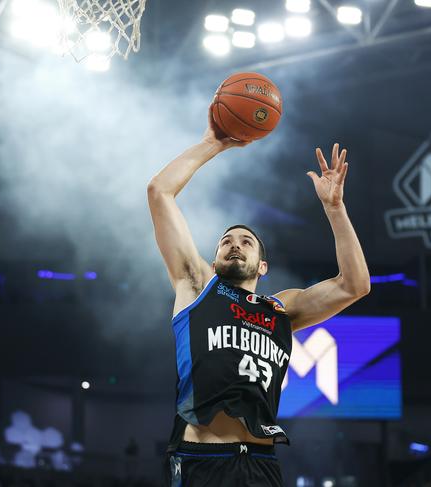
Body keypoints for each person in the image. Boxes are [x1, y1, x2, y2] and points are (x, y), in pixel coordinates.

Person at [147, 108, 371, 486]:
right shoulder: (198, 286)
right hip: (202, 460)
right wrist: (212, 143)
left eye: (245, 242)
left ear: (261, 266)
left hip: (262, 463)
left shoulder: (281, 310)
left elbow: (355, 285)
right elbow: (160, 192)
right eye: (226, 242)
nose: (234, 245)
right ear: (216, 259)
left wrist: (335, 209)